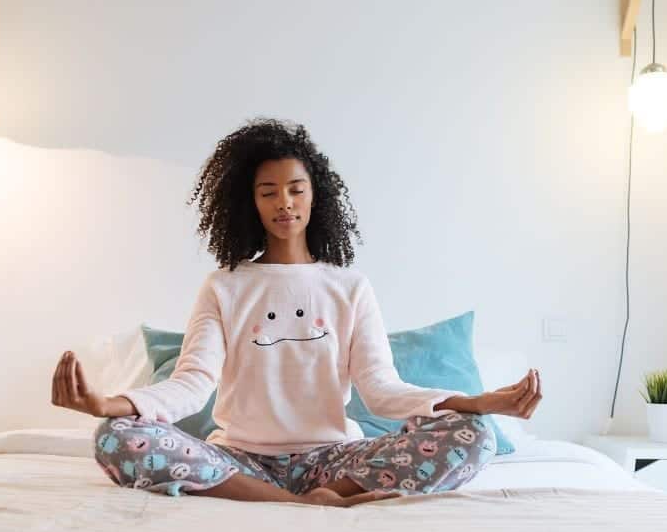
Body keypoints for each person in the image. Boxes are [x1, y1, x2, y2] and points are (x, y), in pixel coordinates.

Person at [51, 118, 542, 508]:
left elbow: (383, 392)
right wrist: (107, 404)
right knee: (115, 437)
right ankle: (292, 503)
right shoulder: (225, 286)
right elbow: (191, 384)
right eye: (268, 192)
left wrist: (478, 404)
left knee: (473, 435)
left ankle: (333, 496)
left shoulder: (350, 285)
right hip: (239, 463)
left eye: (296, 189)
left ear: (315, 194)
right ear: (251, 204)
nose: (284, 203)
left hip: (335, 460)